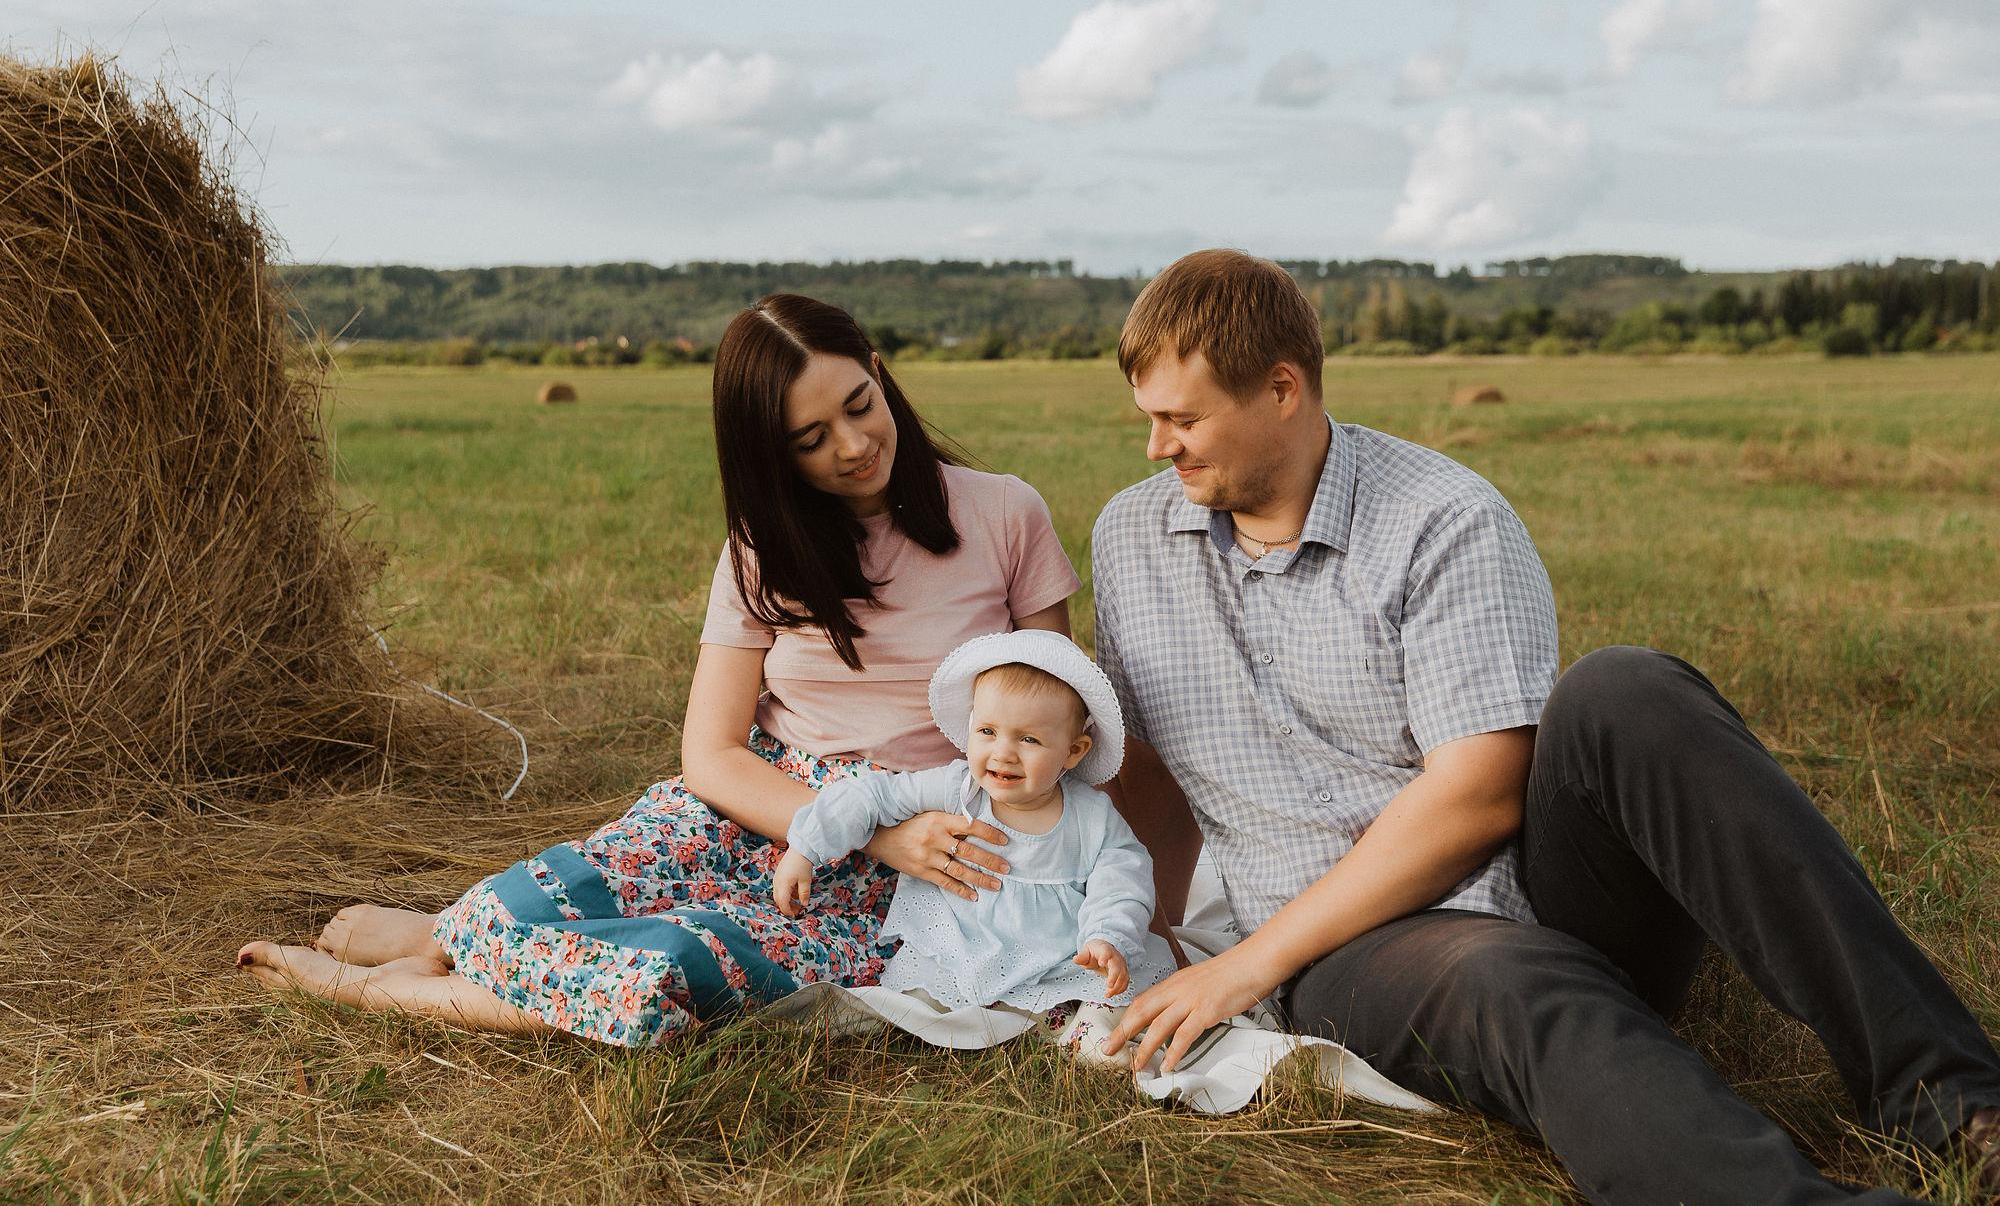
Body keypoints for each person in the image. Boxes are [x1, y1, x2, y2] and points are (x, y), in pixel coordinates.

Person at [1088, 249, 2000, 1204]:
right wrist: (1151, 939)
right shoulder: (1130, 538)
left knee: (1626, 688)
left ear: (1282, 389)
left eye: (1183, 420)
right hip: (1355, 953)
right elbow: (1145, 760)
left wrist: (1242, 963)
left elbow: (1479, 795)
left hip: (1543, 887)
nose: (1158, 448)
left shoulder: (1444, 516)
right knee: (1510, 981)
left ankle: (1954, 1100)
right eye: (1150, 418)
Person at [235, 294, 1083, 1044]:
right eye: (812, 439)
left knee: (669, 970)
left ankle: (397, 987)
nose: (855, 446)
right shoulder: (763, 551)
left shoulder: (1006, 512)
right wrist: (858, 824)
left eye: (862, 405)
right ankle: (448, 937)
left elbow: (1051, 710)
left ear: (879, 370)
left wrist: (908, 842)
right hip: (759, 805)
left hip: (920, 843)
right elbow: (712, 754)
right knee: (534, 901)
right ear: (771, 455)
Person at [775, 628, 1171, 1011]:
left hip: (1060, 954)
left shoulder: (1091, 816)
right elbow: (874, 794)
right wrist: (807, 847)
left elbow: (1122, 879)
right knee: (918, 1001)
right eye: (987, 731)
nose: (1003, 753)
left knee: (1116, 994)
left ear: (1073, 751)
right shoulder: (959, 789)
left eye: (1028, 739)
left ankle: (1075, 1021)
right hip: (961, 943)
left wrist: (1107, 935)